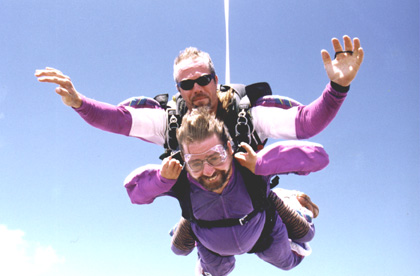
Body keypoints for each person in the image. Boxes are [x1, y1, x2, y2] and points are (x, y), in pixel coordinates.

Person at [34, 35, 364, 249]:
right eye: (186, 84)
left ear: (216, 79)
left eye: (204, 79)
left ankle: (281, 201)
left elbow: (306, 123)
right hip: (199, 199)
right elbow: (119, 120)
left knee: (294, 246)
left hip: (251, 194)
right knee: (179, 247)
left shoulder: (248, 114)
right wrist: (79, 102)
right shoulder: (170, 119)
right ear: (178, 89)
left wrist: (337, 88)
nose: (196, 89)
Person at [124, 107, 330, 275]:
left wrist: (262, 164)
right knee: (180, 250)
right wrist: (161, 180)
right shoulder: (180, 176)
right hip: (209, 236)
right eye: (195, 163)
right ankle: (193, 231)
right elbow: (134, 192)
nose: (208, 171)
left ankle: (289, 200)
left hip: (262, 227)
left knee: (298, 244)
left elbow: (320, 158)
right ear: (186, 162)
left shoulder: (247, 165)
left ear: (229, 149)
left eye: (216, 157)